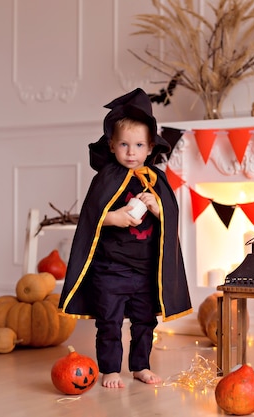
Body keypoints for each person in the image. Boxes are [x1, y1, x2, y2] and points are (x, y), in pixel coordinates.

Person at [59, 88, 192, 388]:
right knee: (110, 322)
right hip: (111, 270)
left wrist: (158, 209)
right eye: (124, 144)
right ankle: (109, 369)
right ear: (112, 145)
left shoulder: (157, 180)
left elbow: (171, 217)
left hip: (145, 270)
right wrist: (114, 217)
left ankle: (140, 366)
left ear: (149, 148)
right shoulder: (105, 178)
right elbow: (90, 218)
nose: (131, 152)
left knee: (146, 322)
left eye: (138, 145)